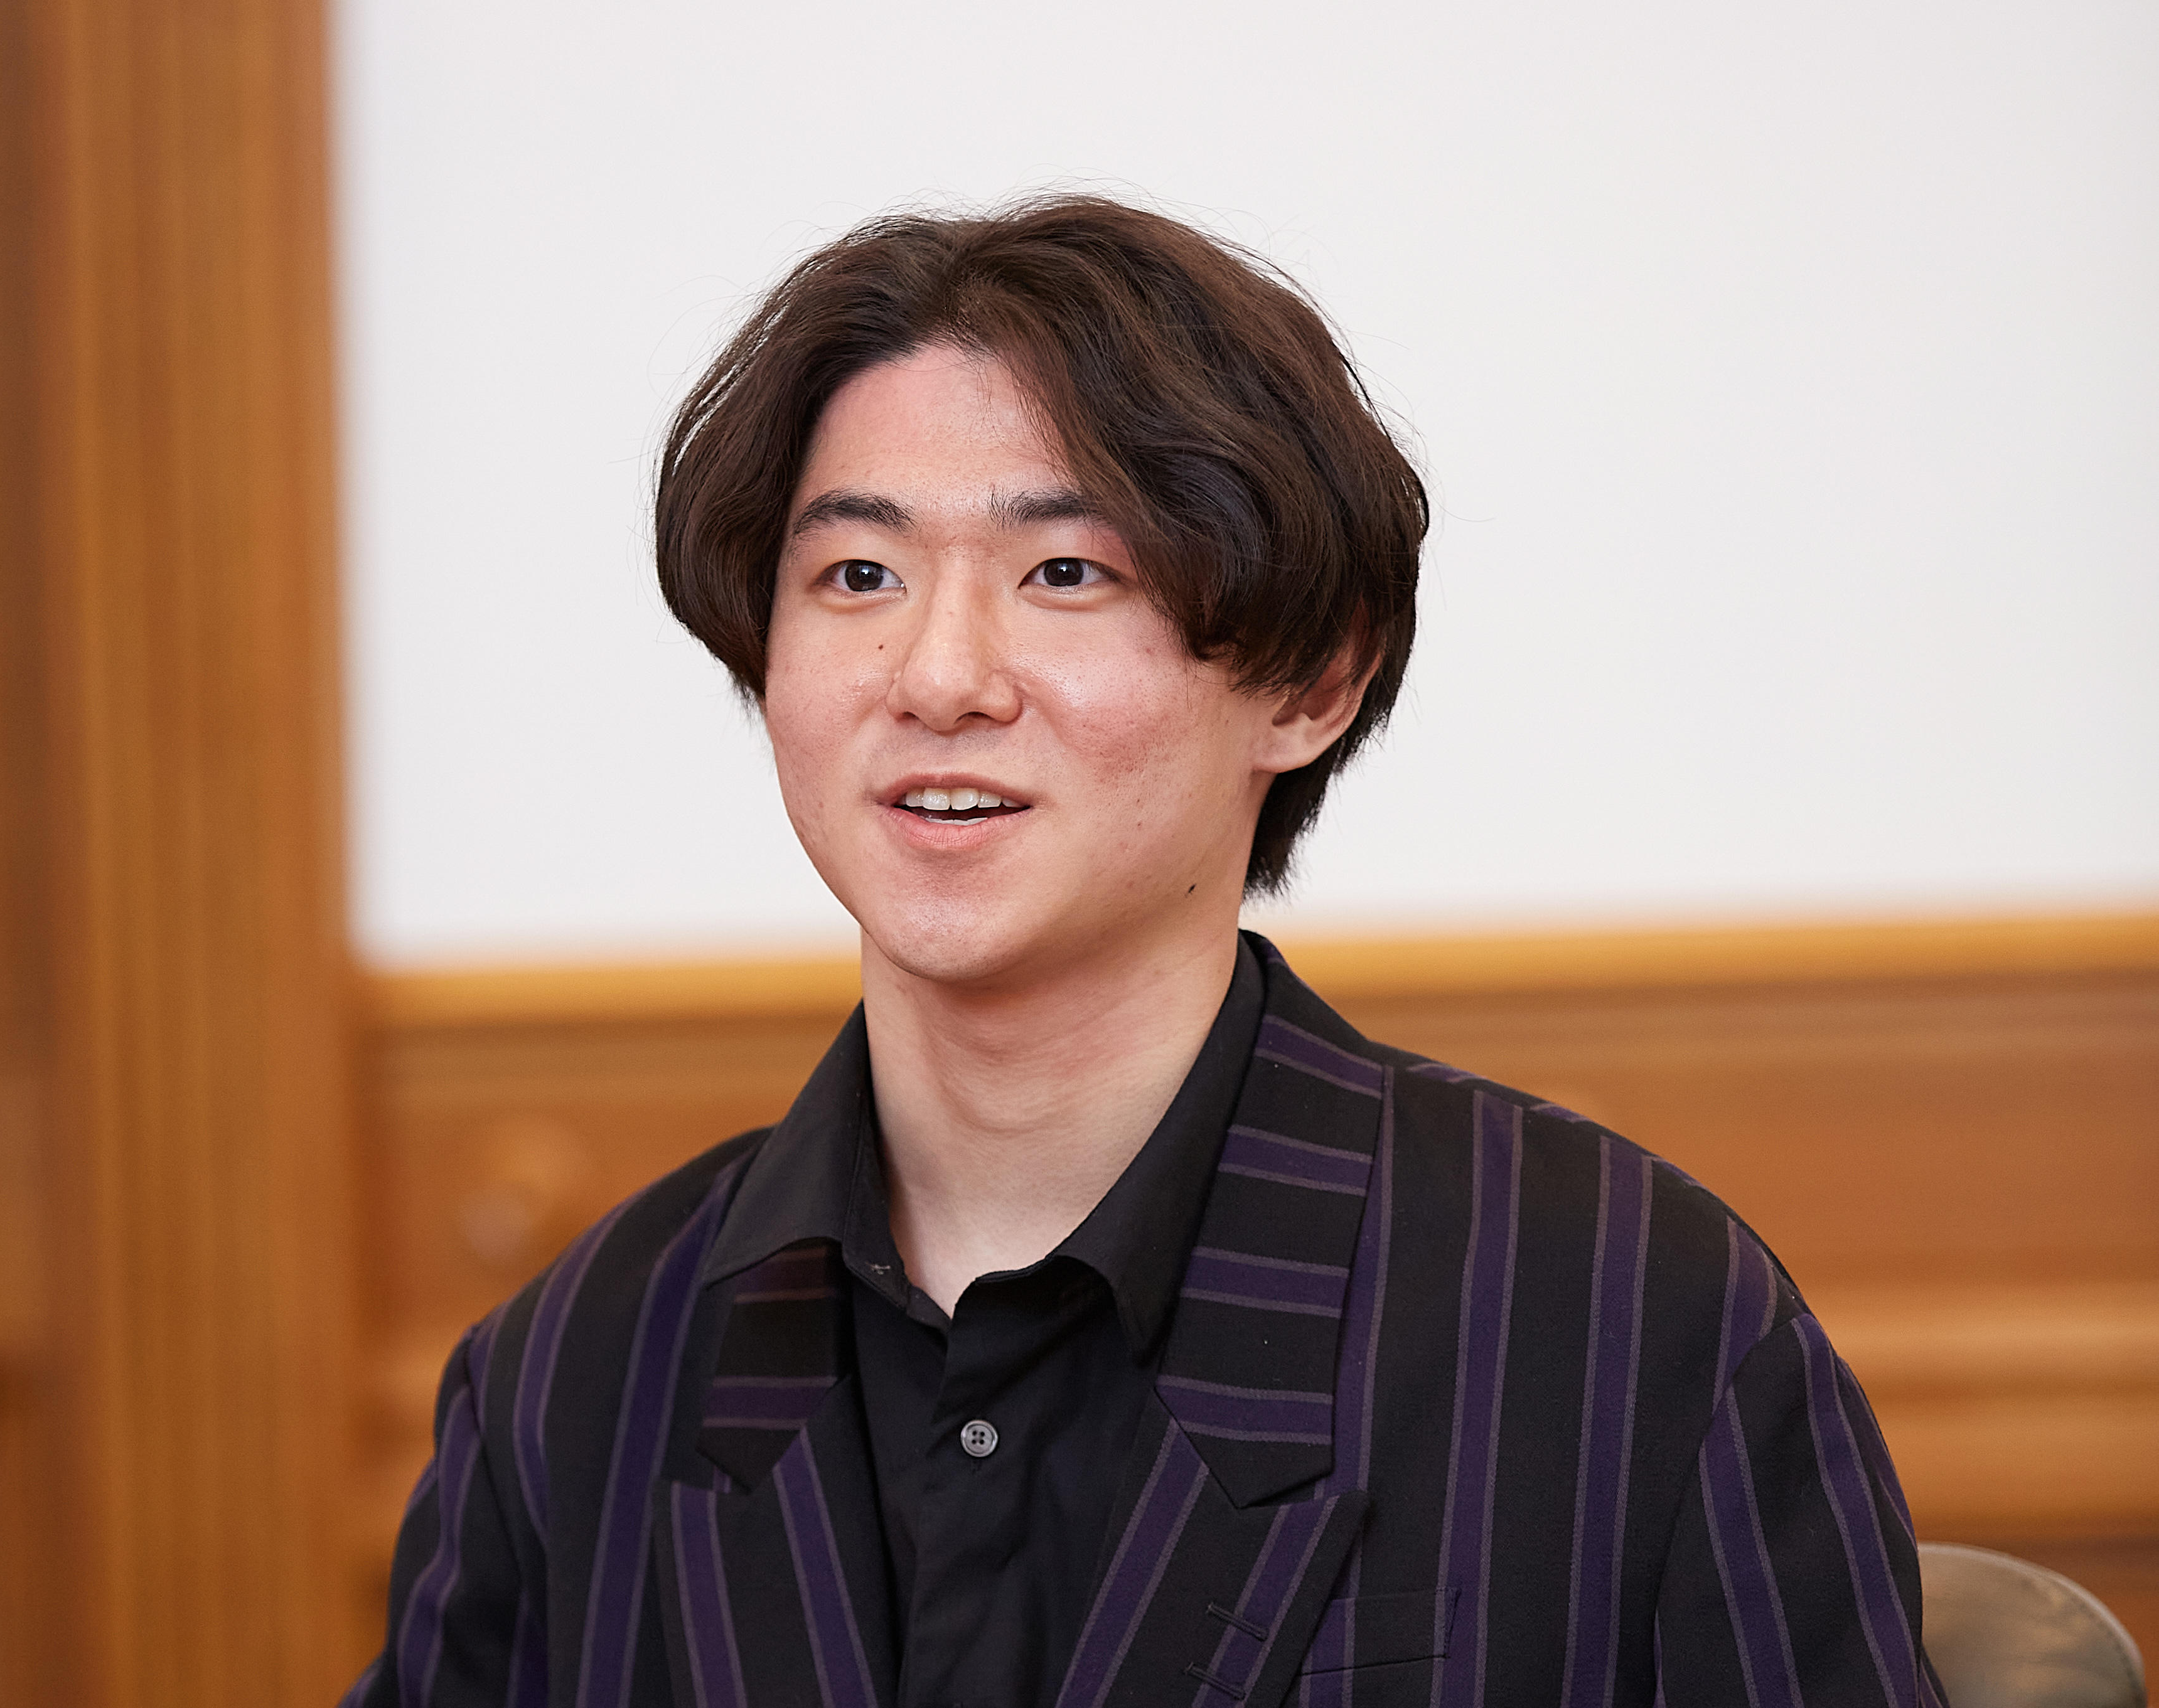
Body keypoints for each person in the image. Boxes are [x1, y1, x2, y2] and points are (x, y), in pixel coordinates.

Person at [348, 196, 1945, 1708]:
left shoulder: (1626, 1317)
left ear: (1309, 681)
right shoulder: (579, 1370)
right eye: (858, 575)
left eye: (1065, 572)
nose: (939, 675)